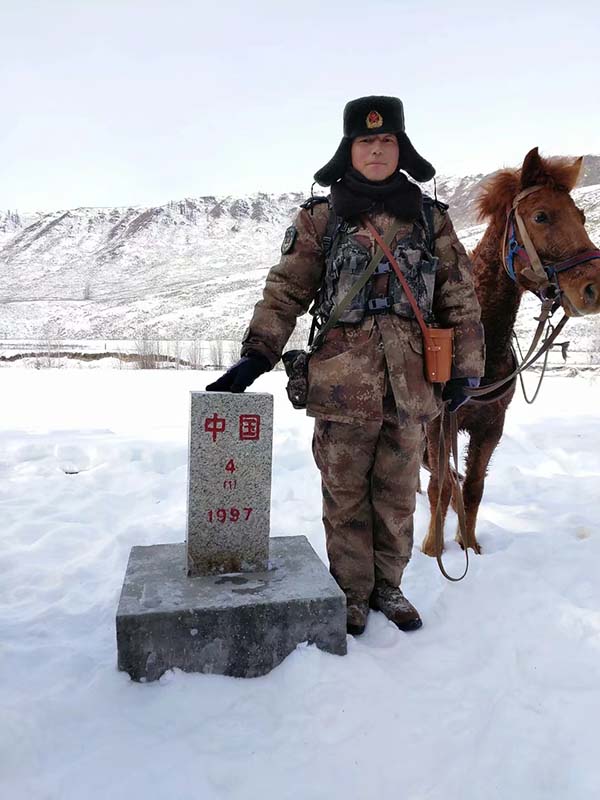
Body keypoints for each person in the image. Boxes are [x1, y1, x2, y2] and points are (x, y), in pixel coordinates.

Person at [207, 96, 484, 635]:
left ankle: (389, 586)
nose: (377, 150)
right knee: (345, 494)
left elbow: (460, 296)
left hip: (411, 386)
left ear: (401, 148)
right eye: (366, 141)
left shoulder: (431, 220)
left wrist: (465, 371)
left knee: (398, 494)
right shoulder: (320, 218)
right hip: (340, 384)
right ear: (349, 149)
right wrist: (256, 355)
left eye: (386, 141)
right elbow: (286, 289)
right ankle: (351, 593)